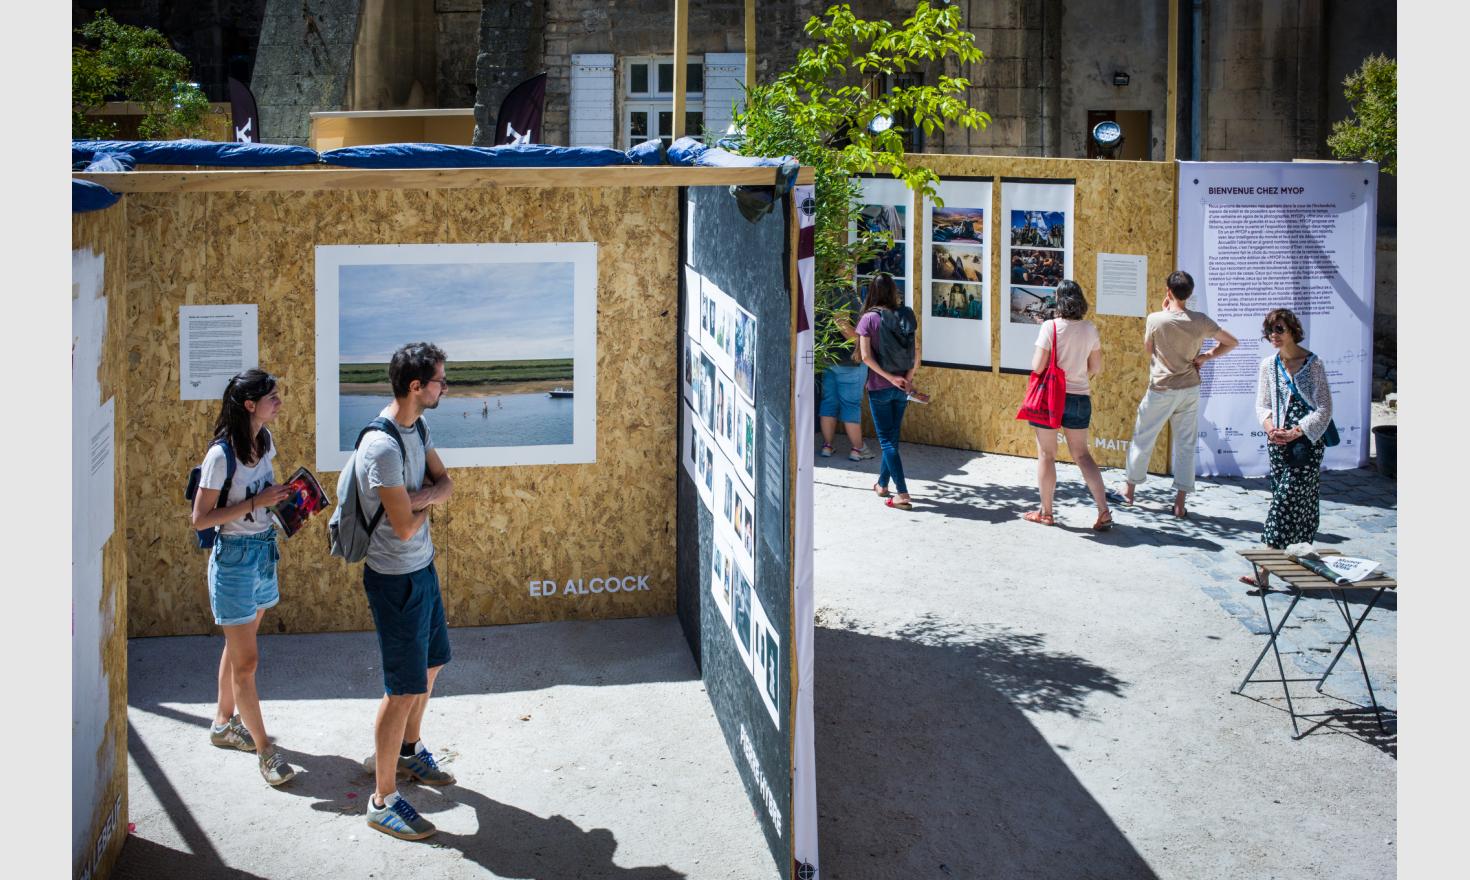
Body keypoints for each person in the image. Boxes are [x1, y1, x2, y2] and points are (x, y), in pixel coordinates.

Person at [356, 342, 456, 840]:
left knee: (433, 663)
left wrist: (423, 497)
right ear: (416, 386)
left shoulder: (418, 427)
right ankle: (382, 800)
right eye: (439, 380)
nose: (444, 387)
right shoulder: (382, 446)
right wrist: (425, 499)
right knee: (402, 689)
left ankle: (411, 752)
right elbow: (403, 527)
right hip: (395, 579)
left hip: (423, 570)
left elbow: (446, 483)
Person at [189, 369, 298, 787]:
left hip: (262, 553)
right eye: (272, 397)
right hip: (233, 559)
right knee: (247, 662)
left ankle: (222, 724)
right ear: (250, 405)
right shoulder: (221, 456)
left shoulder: (264, 441)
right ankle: (266, 752)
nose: (279, 403)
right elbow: (200, 518)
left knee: (239, 650)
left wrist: (286, 498)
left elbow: (262, 497)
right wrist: (257, 501)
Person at [1117, 270, 1239, 517]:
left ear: (1168, 291)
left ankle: (1129, 491)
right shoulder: (1201, 321)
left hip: (1162, 388)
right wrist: (1206, 356)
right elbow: (1232, 341)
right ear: (1190, 293)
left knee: (1144, 437)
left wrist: (1163, 311)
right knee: (1186, 444)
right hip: (1189, 388)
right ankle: (1180, 502)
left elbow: (1148, 349)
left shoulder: (1155, 319)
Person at [1022, 281, 1113, 530]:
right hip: (1079, 397)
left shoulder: (1050, 327)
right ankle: (1103, 510)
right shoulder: (1090, 329)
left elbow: (1037, 366)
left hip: (1050, 399)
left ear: (1058, 300)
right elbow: (1096, 368)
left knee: (1047, 455)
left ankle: (1046, 512)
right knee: (1082, 455)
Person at [1252, 308, 1334, 551]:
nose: (1273, 335)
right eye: (1269, 330)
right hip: (1277, 443)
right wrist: (1270, 429)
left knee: (1284, 501)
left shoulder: (1313, 364)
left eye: (1279, 329)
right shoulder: (1268, 365)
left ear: (1293, 331)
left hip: (1306, 443)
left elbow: (1325, 408)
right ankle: (1302, 550)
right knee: (1297, 499)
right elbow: (1262, 404)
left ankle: (1264, 566)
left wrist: (1295, 432)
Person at [856, 273, 920, 510]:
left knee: (886, 441)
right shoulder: (905, 316)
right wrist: (905, 380)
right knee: (891, 439)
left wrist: (889, 378)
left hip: (880, 387)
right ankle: (882, 485)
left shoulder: (868, 319)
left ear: (871, 291)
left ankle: (902, 493)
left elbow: (865, 357)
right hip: (902, 387)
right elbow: (917, 354)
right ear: (894, 291)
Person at [819, 285, 875, 462]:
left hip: (829, 358)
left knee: (829, 402)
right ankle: (858, 449)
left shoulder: (823, 288)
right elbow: (841, 322)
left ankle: (827, 445)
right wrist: (861, 344)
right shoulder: (841, 291)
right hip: (849, 360)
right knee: (851, 404)